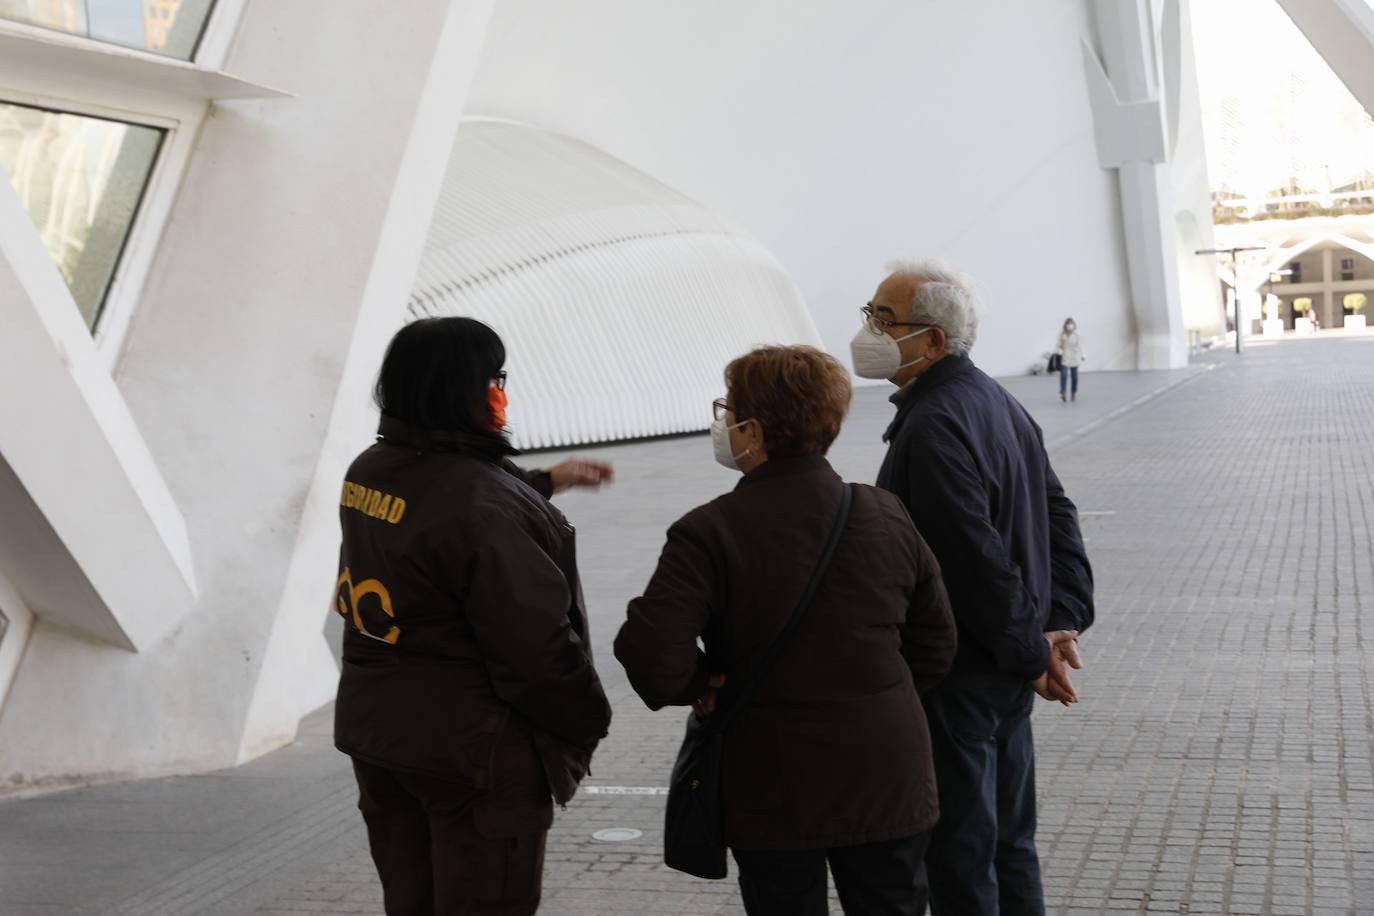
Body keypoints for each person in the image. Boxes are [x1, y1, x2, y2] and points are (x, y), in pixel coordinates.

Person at [615, 345, 958, 916]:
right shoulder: (885, 513)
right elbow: (936, 641)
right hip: (886, 768)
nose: (722, 421)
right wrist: (878, 695)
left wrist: (700, 684)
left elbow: (653, 653)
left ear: (752, 429)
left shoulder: (709, 532)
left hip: (771, 780)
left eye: (728, 410)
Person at [332, 316, 613, 916]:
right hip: (475, 755)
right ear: (465, 388)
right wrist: (588, 718)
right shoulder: (484, 505)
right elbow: (534, 650)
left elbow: (437, 521)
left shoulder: (369, 470)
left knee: (412, 901)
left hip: (381, 734)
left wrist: (542, 482)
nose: (500, 391)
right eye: (495, 376)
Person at [851, 260, 1095, 916]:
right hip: (1007, 668)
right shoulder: (995, 401)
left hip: (962, 679)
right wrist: (1057, 625)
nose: (868, 331)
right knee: (1011, 844)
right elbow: (1058, 518)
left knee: (962, 854)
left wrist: (1035, 646)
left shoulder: (934, 425)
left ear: (931, 341)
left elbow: (974, 561)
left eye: (883, 319)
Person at [1055, 318, 1085, 402]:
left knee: (1074, 377)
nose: (1070, 325)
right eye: (1068, 324)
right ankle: (1063, 392)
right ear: (1065, 325)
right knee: (1064, 375)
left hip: (1075, 357)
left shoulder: (1077, 334)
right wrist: (1058, 352)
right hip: (1065, 357)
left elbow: (1080, 345)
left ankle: (1073, 392)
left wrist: (1083, 355)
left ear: (1074, 325)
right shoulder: (1062, 334)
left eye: (1071, 324)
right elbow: (1058, 345)